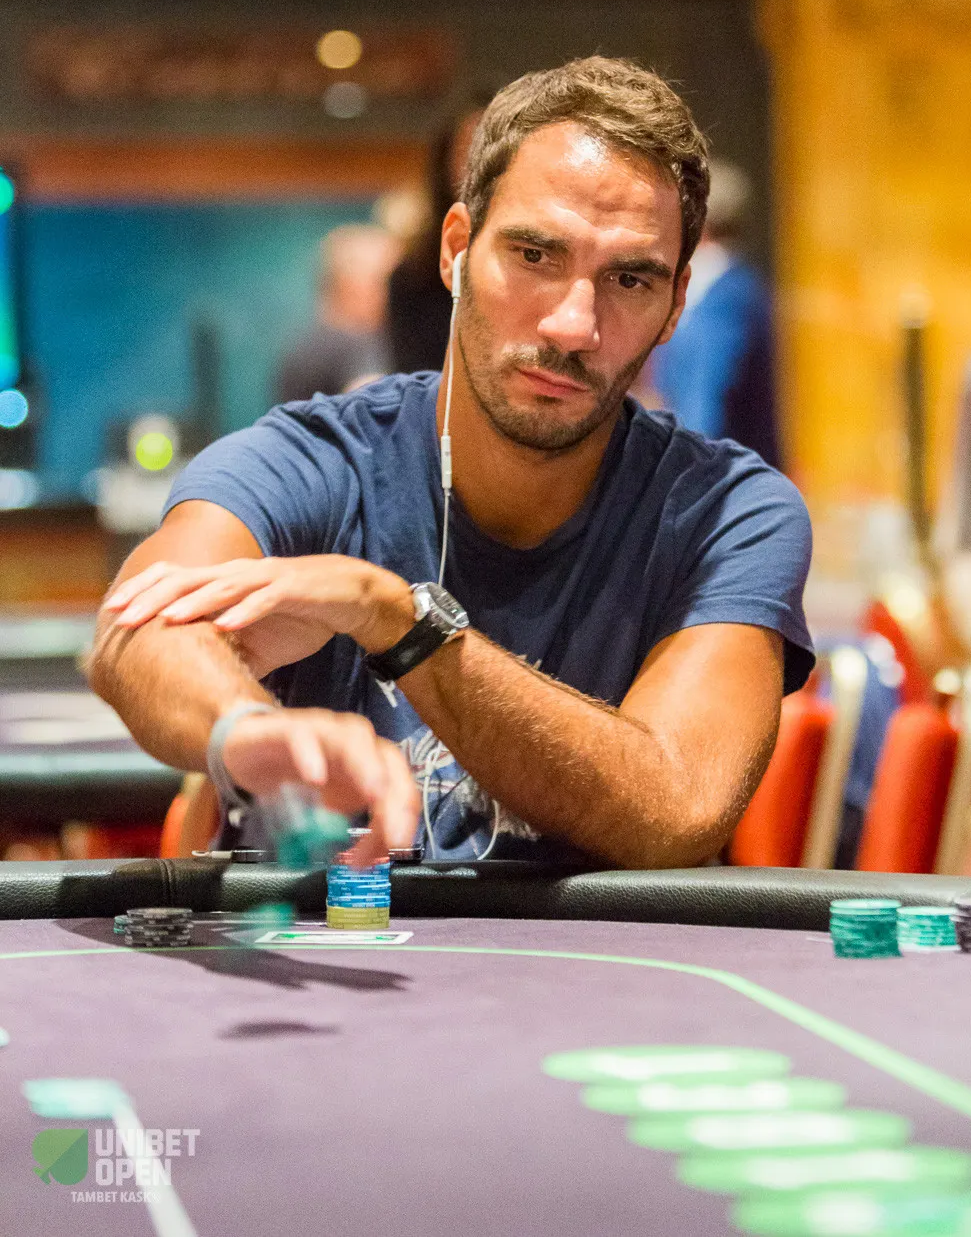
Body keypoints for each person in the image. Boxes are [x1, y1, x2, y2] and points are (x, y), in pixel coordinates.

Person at [88, 56, 813, 871]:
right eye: (535, 255)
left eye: (629, 279)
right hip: (323, 940)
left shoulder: (727, 511)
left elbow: (677, 810)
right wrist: (248, 730)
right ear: (456, 249)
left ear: (675, 305)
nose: (574, 325)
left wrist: (402, 623)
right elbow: (140, 631)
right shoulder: (314, 458)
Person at [651, 161, 782, 468]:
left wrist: (682, 467)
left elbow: (706, 398)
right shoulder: (735, 285)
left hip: (718, 474)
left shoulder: (725, 295)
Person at [386, 98, 491, 374]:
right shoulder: (412, 276)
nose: (480, 169)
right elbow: (414, 376)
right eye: (468, 153)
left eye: (491, 154)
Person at [275, 223, 399, 403]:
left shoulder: (301, 348)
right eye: (391, 279)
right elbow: (377, 405)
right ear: (350, 285)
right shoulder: (357, 344)